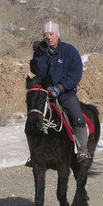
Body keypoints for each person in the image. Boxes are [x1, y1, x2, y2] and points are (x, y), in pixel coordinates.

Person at [25, 21, 90, 167]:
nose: (48, 37)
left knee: (77, 117)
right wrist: (38, 54)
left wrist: (60, 88)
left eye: (51, 34)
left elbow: (76, 73)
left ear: (57, 35)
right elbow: (38, 72)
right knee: (32, 120)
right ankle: (33, 154)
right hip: (46, 94)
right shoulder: (43, 52)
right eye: (45, 35)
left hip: (65, 94)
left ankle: (82, 149)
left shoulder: (69, 51)